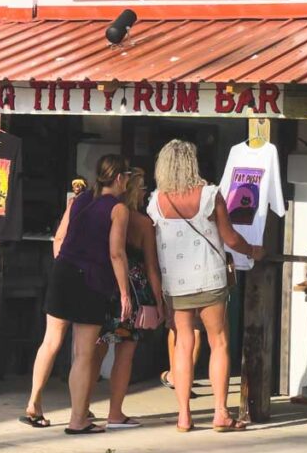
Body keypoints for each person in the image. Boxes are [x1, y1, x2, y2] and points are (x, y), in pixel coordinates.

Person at [148, 140, 264, 432]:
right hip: (210, 280)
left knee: (183, 346)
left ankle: (184, 416)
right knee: (218, 343)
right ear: (192, 163)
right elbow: (231, 238)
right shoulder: (211, 195)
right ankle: (220, 414)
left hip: (176, 283)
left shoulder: (156, 201)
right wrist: (253, 251)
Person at [21, 155, 133, 435]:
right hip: (91, 279)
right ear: (119, 177)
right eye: (127, 177)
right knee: (83, 353)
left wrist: (66, 263)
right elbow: (116, 253)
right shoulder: (118, 209)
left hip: (63, 273)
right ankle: (78, 419)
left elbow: (58, 239)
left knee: (50, 341)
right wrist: (124, 292)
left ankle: (34, 403)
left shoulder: (79, 200)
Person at [91, 168, 165, 429]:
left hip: (103, 287)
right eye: (144, 188)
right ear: (136, 190)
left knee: (95, 349)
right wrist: (158, 299)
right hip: (132, 292)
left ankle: (83, 406)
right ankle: (115, 412)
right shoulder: (143, 223)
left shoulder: (105, 213)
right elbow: (151, 266)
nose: (146, 193)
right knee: (125, 353)